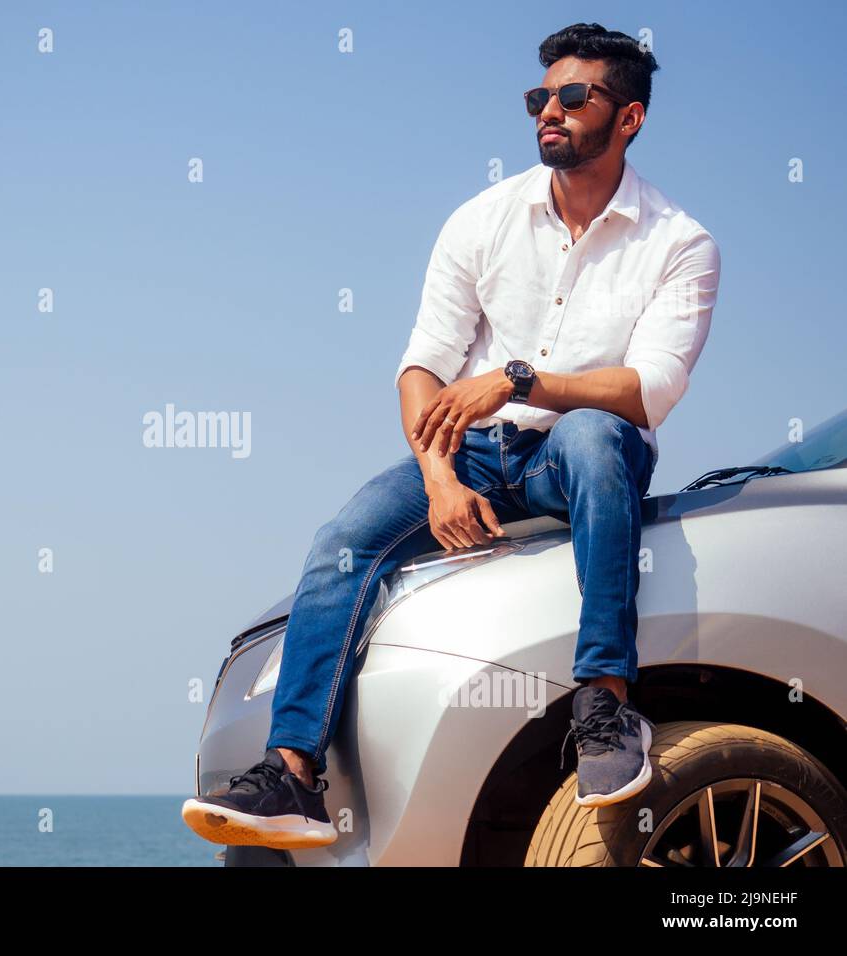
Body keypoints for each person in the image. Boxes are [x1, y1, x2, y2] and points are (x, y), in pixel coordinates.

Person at [182, 22, 720, 850]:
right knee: (342, 541)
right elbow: (422, 370)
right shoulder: (482, 218)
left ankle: (606, 709)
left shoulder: (679, 244)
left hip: (579, 452)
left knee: (592, 437)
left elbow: (647, 392)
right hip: (465, 450)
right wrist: (437, 477)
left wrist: (513, 381)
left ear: (630, 119)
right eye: (540, 96)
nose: (550, 110)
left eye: (574, 97)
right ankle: (293, 774)